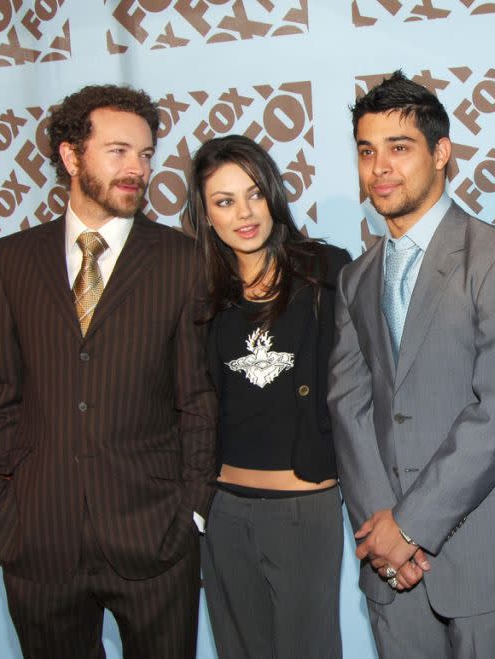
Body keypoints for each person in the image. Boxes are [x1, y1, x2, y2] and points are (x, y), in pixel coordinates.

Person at [0, 84, 217, 658]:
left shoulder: (180, 259)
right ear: (71, 156)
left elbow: (198, 400)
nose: (137, 169)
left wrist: (190, 510)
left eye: (144, 154)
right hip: (40, 537)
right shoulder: (13, 258)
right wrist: (3, 499)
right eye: (118, 151)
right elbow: (7, 390)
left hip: (153, 536)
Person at [328, 70, 495, 659]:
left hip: (480, 546)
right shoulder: (355, 277)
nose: (380, 168)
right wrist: (383, 531)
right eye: (367, 151)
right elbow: (349, 408)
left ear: (442, 153)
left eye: (399, 148)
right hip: (388, 566)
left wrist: (410, 527)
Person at [182, 134, 349, 659]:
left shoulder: (325, 270)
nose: (244, 213)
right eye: (224, 202)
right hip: (223, 512)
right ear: (206, 215)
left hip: (304, 505)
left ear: (274, 195)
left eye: (254, 194)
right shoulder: (199, 290)